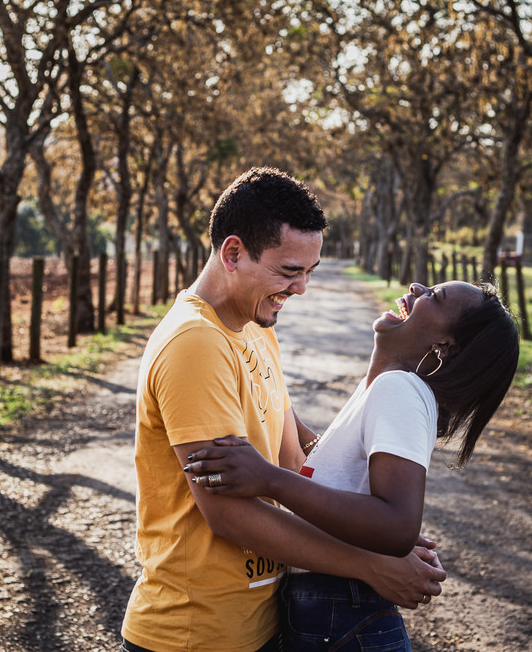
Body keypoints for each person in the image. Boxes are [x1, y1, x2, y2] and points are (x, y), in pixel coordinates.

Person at [121, 167, 447, 652]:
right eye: (290, 271)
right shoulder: (196, 342)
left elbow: (292, 457)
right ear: (233, 253)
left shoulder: (256, 326)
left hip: (264, 623)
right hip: (193, 635)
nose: (302, 288)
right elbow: (228, 514)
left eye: (310, 271)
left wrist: (381, 525)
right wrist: (369, 564)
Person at [185, 278, 520, 650]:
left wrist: (268, 479)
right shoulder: (382, 387)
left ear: (443, 346)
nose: (417, 287)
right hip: (335, 611)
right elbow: (332, 467)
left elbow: (398, 525)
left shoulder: (400, 390)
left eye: (435, 297)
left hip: (343, 615)